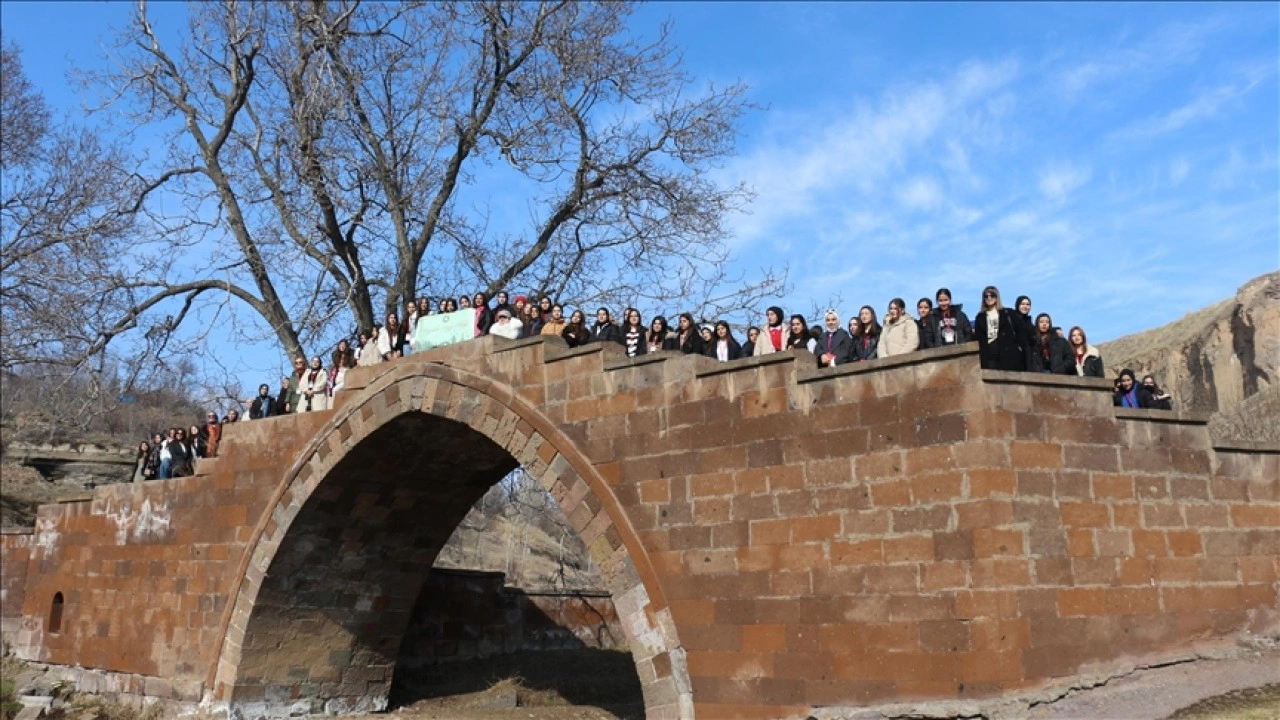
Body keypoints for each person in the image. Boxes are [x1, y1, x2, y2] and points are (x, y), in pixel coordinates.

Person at [975, 286, 1033, 371]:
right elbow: (978, 337)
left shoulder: (1008, 313)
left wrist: (1019, 347)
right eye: (986, 296)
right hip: (989, 353)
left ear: (997, 297)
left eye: (992, 295)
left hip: (1007, 353)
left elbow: (1022, 331)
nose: (989, 298)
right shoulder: (980, 316)